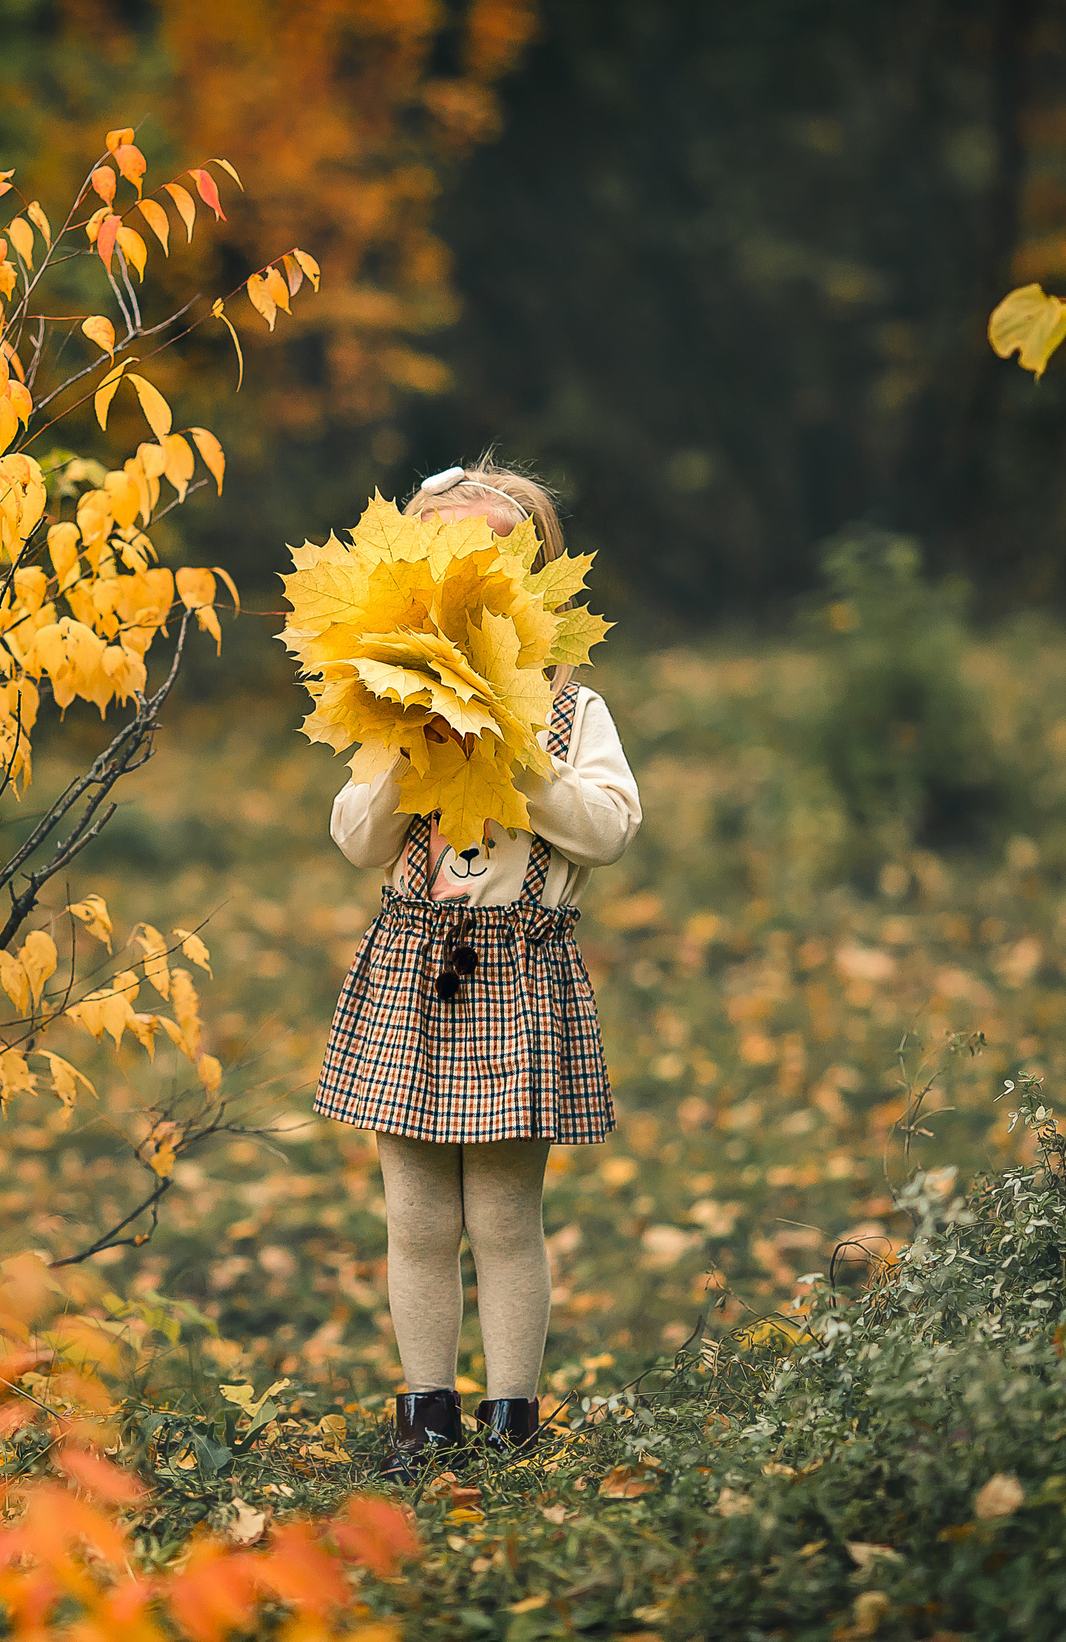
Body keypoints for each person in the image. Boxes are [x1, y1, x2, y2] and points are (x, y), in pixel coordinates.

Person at [315, 460, 643, 1475]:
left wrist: (512, 749)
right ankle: (424, 1415)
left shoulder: (570, 710)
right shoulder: (390, 704)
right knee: (416, 1214)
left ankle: (513, 1416)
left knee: (502, 1215)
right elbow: (358, 840)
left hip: (518, 977)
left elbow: (608, 829)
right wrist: (412, 754)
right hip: (413, 968)